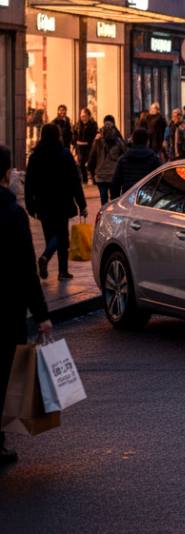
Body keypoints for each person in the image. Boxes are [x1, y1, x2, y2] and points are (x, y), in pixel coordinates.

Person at [0, 143, 53, 466]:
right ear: (6, 174)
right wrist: (42, 315)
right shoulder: (11, 213)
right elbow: (25, 269)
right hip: (5, 310)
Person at [25, 123, 87, 280]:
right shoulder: (64, 154)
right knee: (61, 236)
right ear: (58, 135)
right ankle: (57, 266)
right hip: (61, 200)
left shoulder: (35, 155)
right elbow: (74, 181)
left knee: (50, 235)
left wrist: (29, 205)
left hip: (42, 200)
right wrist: (82, 204)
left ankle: (48, 264)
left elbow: (29, 182)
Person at [87, 115, 128, 203]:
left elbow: (93, 155)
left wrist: (90, 170)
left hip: (101, 174)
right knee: (114, 200)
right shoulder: (118, 138)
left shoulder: (98, 138)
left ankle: (104, 215)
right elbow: (125, 153)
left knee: (104, 201)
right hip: (114, 174)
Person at [111, 127, 163, 195]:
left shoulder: (123, 159)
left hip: (127, 197)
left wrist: (116, 201)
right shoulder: (154, 158)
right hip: (147, 198)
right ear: (147, 141)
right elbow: (162, 180)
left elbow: (115, 183)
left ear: (132, 140)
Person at [72, 107, 98, 184]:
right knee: (81, 163)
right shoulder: (77, 125)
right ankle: (84, 179)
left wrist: (88, 143)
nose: (83, 118)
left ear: (89, 116)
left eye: (85, 116)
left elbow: (93, 136)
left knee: (91, 163)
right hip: (80, 148)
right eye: (82, 116)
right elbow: (74, 135)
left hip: (89, 147)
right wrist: (75, 143)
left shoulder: (93, 125)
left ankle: (92, 177)